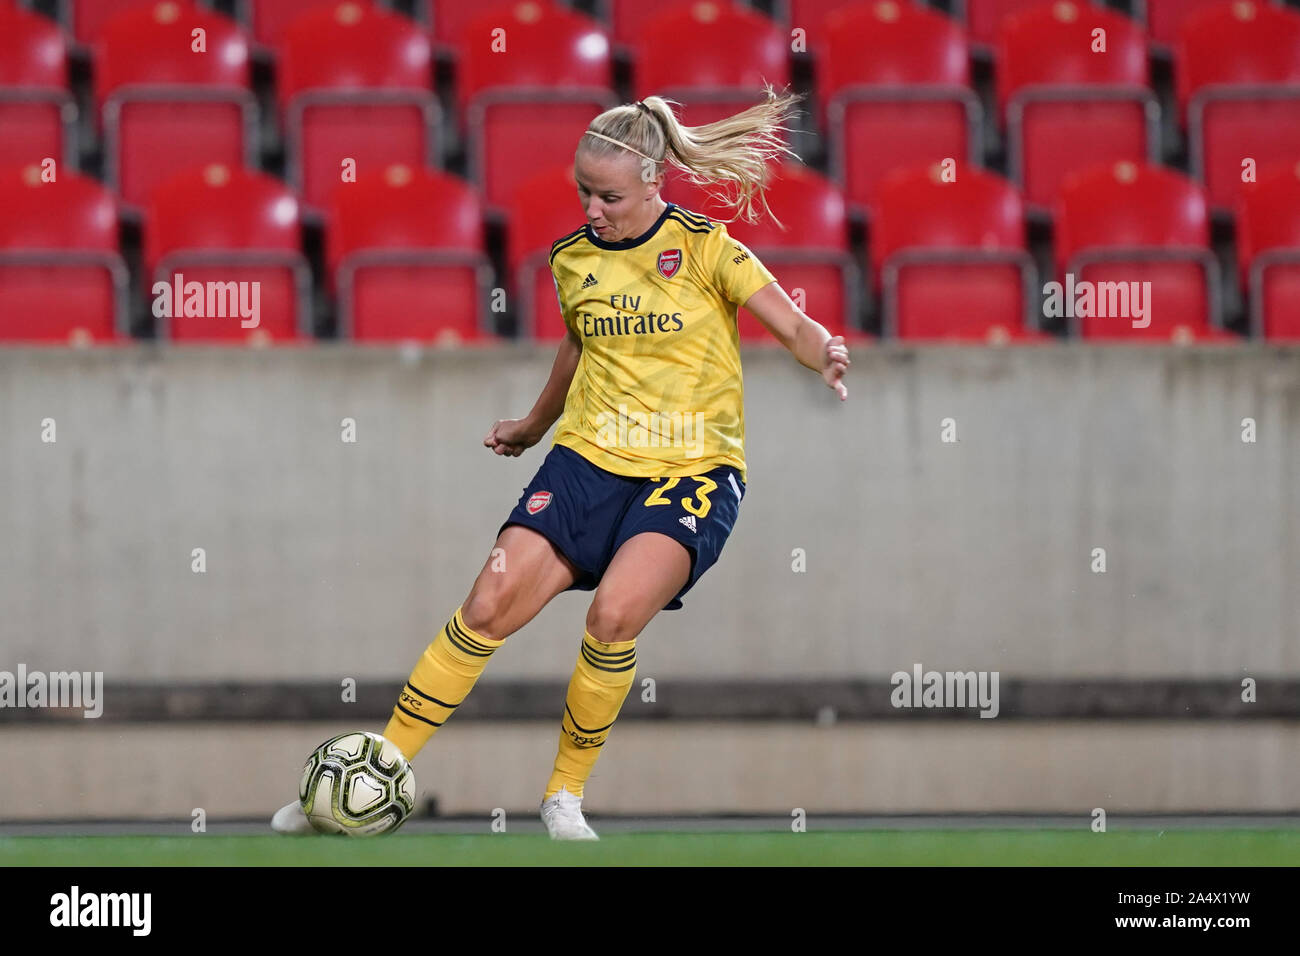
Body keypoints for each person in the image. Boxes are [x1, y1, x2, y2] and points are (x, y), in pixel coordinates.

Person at [273, 88, 850, 839]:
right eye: (584, 191)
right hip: (587, 460)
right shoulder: (572, 259)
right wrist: (532, 426)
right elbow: (578, 346)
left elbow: (793, 325)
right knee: (486, 605)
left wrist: (825, 355)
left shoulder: (710, 249)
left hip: (694, 472)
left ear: (654, 183)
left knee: (612, 616)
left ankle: (563, 796)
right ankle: (367, 774)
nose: (593, 208)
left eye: (608, 195)